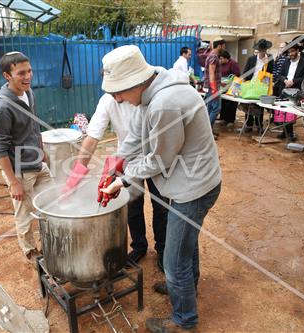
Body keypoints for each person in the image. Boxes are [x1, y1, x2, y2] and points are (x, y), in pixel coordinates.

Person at [98, 45, 222, 332]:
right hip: (190, 183)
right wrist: (116, 162)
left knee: (174, 258)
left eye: (118, 91)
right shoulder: (154, 87)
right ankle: (185, 285)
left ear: (135, 82)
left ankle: (184, 321)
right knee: (185, 246)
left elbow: (159, 158)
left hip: (193, 189)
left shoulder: (165, 104)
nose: (116, 98)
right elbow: (136, 137)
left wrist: (123, 178)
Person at [68, 93, 169, 270]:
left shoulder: (146, 96)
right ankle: (139, 246)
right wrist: (77, 172)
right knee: (132, 206)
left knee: (161, 206)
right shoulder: (107, 101)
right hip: (128, 158)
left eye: (117, 91)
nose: (115, 96)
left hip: (156, 157)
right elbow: (92, 138)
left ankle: (163, 250)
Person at [0, 51, 52, 262]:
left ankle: (51, 244)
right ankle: (31, 252)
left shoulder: (28, 93)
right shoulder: (2, 107)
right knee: (25, 214)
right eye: (21, 73)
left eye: (30, 71)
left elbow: (33, 126)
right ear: (7, 76)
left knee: (52, 204)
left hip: (37, 162)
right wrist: (13, 182)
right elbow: (0, 148)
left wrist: (41, 150)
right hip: (19, 170)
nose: (28, 77)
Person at [274, 41, 304, 141]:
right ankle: (285, 131)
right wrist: (285, 80)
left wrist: (293, 81)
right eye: (289, 52)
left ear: (298, 51)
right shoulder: (286, 61)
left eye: (292, 51)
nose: (290, 54)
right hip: (284, 88)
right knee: (283, 110)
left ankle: (290, 133)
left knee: (291, 111)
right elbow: (280, 75)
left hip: (296, 90)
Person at [241, 39, 274, 133]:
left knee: (260, 106)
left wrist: (266, 63)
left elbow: (271, 72)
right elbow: (246, 71)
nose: (262, 52)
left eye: (264, 50)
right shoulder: (251, 59)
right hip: (251, 84)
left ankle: (259, 125)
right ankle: (249, 124)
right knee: (249, 105)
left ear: (266, 50)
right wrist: (243, 80)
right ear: (258, 50)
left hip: (262, 85)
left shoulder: (270, 59)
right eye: (260, 50)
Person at [204, 38, 226, 137]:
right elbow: (212, 72)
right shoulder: (213, 57)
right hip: (213, 87)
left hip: (212, 85)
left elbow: (211, 73)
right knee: (217, 108)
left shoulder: (212, 56)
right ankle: (208, 132)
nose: (224, 48)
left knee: (210, 108)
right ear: (219, 46)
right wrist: (214, 88)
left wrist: (220, 83)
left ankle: (208, 130)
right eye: (223, 46)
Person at [218, 50, 240, 125]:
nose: (220, 60)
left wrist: (228, 81)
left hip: (232, 86)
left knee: (231, 104)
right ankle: (224, 118)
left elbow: (237, 75)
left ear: (225, 58)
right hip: (223, 86)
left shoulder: (233, 63)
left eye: (221, 58)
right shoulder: (221, 64)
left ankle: (231, 120)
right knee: (224, 103)